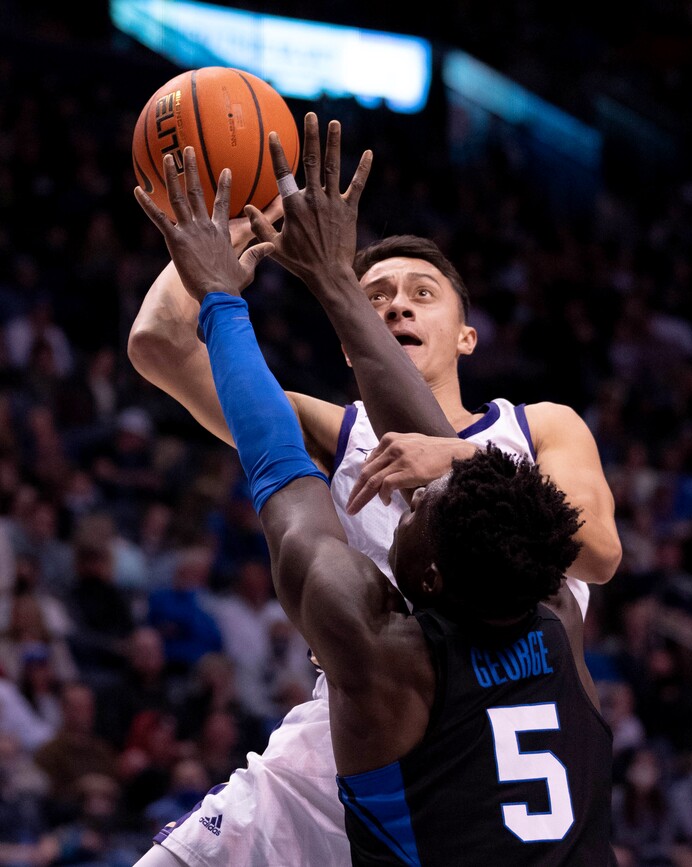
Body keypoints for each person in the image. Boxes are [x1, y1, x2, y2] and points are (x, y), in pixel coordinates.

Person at [128, 115, 621, 865]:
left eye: (422, 292)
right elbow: (161, 346)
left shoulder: (540, 425)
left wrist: (452, 455)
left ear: (467, 335)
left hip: (439, 689)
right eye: (378, 293)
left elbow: (595, 552)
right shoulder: (342, 426)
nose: (397, 304)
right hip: (357, 724)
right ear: (352, 338)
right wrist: (229, 211)